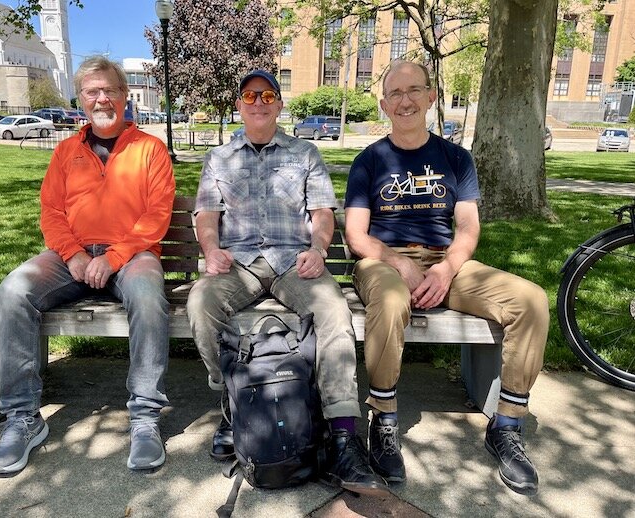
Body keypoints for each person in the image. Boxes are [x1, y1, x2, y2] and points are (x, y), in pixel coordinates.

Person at [344, 60, 549, 495]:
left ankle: (507, 426)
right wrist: (398, 263)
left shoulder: (456, 158)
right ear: (383, 104)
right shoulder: (369, 161)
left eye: (414, 90)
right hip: (383, 262)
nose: (405, 100)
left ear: (431, 96)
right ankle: (382, 420)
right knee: (393, 299)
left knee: (530, 300)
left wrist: (446, 268)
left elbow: (468, 228)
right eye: (395, 94)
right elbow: (356, 235)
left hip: (444, 262)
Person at [186, 70, 387, 496]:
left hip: (293, 261)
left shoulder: (305, 153)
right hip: (239, 262)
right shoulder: (219, 159)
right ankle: (232, 405)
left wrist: (317, 249)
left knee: (333, 311)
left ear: (279, 104)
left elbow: (322, 214)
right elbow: (206, 215)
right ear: (239, 105)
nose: (258, 102)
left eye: (267, 95)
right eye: (249, 95)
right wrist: (210, 250)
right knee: (201, 301)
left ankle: (344, 435)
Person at [0, 56, 176, 477]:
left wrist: (112, 258)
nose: (102, 98)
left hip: (132, 255)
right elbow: (51, 211)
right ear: (81, 99)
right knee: (13, 291)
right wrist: (73, 255)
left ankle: (145, 418)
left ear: (125, 96)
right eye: (92, 91)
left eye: (110, 90)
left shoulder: (151, 149)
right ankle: (22, 418)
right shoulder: (66, 151)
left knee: (147, 295)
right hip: (70, 255)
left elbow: (156, 216)